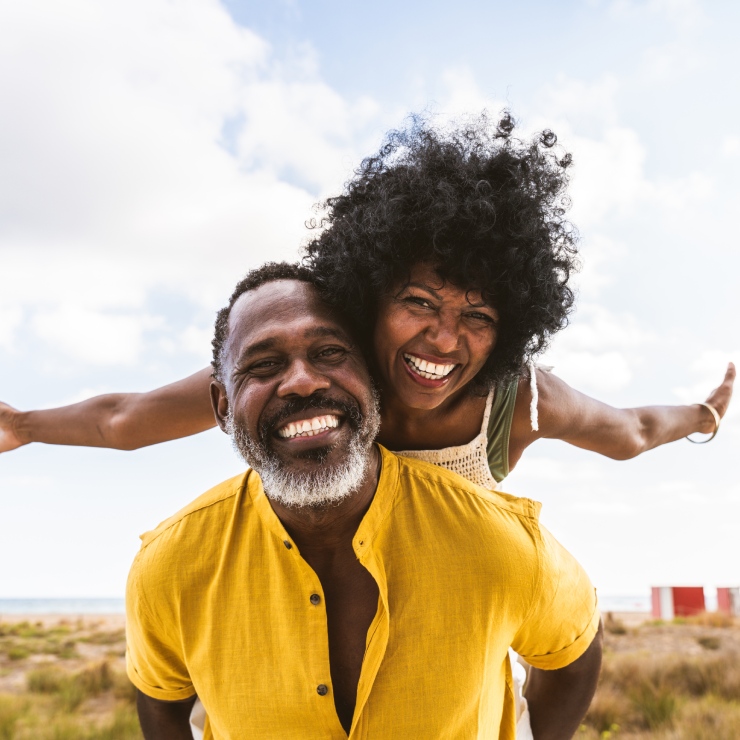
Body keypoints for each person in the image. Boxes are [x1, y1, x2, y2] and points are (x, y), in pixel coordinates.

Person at [0, 113, 733, 482]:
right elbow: (127, 420)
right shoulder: (320, 374)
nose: (445, 340)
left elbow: (632, 431)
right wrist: (24, 424)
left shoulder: (521, 401)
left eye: (476, 315)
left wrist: (703, 415)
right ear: (368, 292)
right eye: (419, 301)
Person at [127, 263, 603, 739]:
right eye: (264, 365)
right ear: (222, 406)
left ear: (372, 378)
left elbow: (574, 653)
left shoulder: (501, 543)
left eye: (331, 352)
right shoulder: (169, 565)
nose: (302, 382)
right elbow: (161, 703)